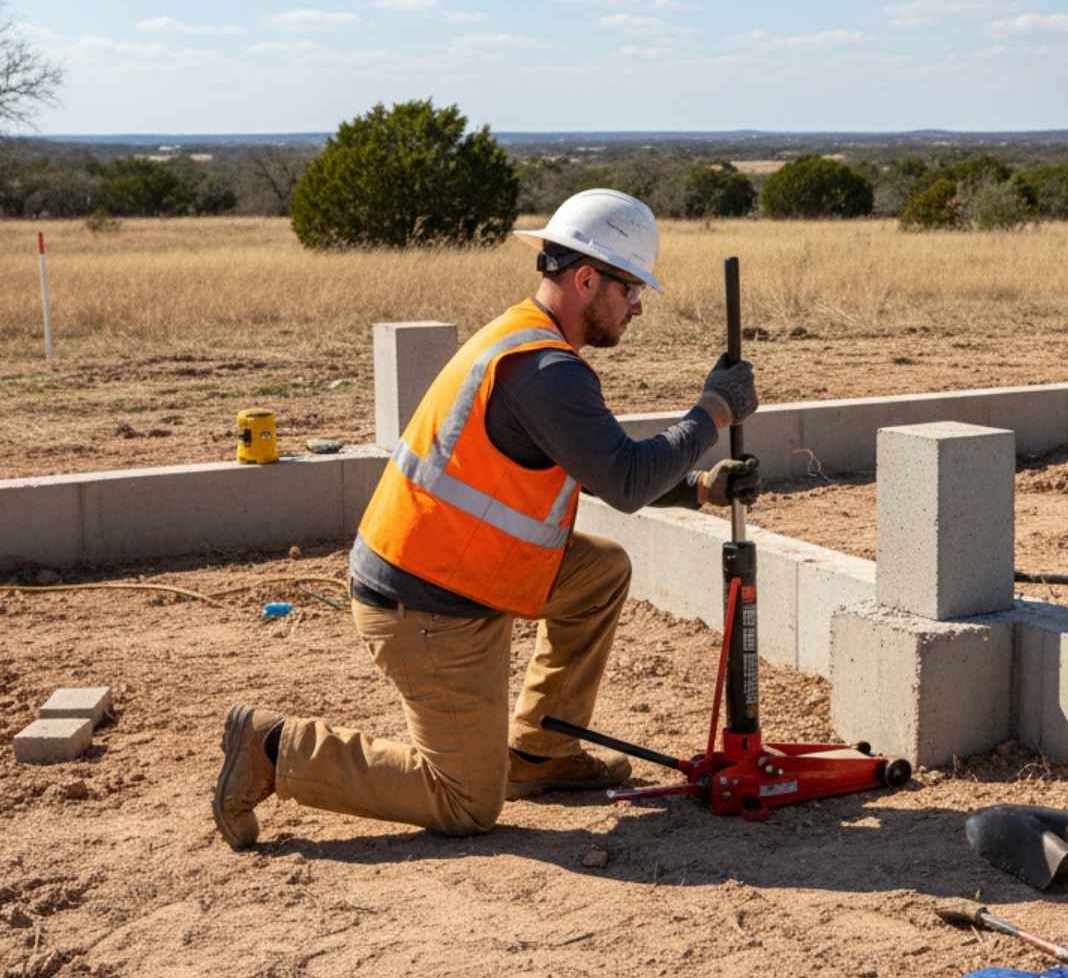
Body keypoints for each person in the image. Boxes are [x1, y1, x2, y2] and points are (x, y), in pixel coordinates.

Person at [213, 189, 761, 849]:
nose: (638, 304)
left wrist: (696, 488)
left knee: (600, 571)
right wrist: (713, 412)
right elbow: (622, 480)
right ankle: (273, 748)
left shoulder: (528, 341)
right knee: (467, 802)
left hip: (450, 565)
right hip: (428, 604)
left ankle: (541, 751)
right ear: (587, 279)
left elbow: (594, 464)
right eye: (631, 287)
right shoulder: (545, 372)